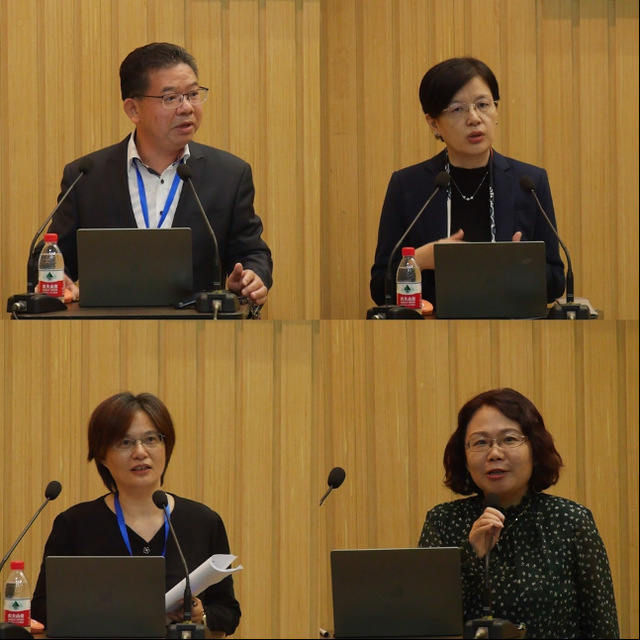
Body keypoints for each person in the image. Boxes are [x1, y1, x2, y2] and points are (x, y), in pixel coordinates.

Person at [34, 42, 272, 307]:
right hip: (108, 328)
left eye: (193, 94)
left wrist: (252, 276)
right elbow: (52, 254)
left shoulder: (228, 174)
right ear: (133, 110)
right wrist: (59, 277)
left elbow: (252, 252)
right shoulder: (87, 177)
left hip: (199, 327)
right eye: (171, 98)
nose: (187, 107)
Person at [31, 392, 241, 637]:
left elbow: (228, 611)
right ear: (102, 457)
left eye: (151, 439)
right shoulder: (75, 524)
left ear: (166, 447)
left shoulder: (203, 522)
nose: (140, 452)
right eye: (125, 442)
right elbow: (42, 608)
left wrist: (200, 615)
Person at [418, 388, 619, 639]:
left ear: (535, 450)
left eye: (509, 439)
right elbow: (424, 622)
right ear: (465, 458)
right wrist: (470, 555)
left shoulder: (571, 521)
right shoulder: (443, 523)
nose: (494, 454)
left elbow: (602, 626)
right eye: (480, 442)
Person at [370, 57, 565, 312]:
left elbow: (556, 283)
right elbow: (379, 289)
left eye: (483, 105)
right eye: (457, 109)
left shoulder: (528, 183)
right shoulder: (408, 186)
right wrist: (418, 260)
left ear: (496, 110)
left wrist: (524, 267)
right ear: (433, 123)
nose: (474, 118)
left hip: (512, 331)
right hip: (430, 331)